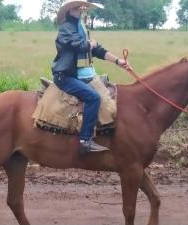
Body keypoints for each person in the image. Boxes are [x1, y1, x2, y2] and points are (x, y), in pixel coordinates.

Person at [52, 0, 131, 154]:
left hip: (81, 75)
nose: (80, 10)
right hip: (66, 76)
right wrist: (90, 45)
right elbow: (79, 45)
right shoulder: (66, 29)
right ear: (69, 11)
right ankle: (85, 140)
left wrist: (118, 61)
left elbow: (98, 50)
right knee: (93, 97)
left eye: (81, 8)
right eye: (76, 8)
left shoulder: (81, 28)